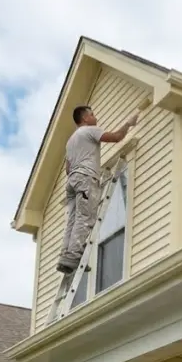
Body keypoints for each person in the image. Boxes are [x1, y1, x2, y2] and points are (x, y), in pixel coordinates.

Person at [56, 105, 138, 274]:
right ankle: (73, 255)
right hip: (85, 178)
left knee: (73, 220)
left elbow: (67, 168)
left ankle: (66, 256)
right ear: (85, 118)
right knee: (85, 217)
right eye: (92, 115)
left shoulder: (71, 141)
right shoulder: (89, 131)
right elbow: (116, 137)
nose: (96, 117)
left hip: (72, 182)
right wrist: (128, 124)